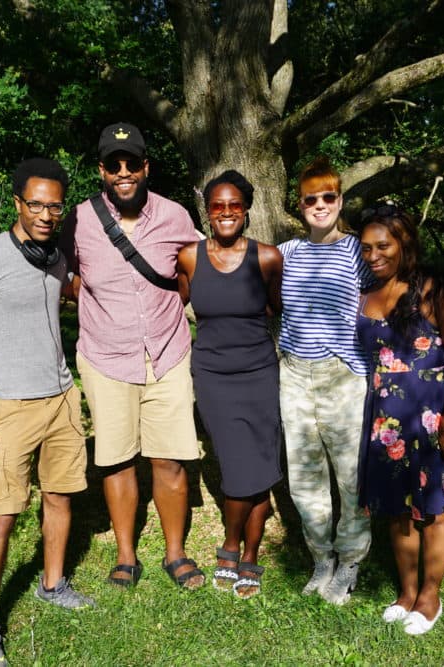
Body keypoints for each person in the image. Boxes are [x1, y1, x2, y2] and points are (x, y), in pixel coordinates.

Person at [277, 157, 444, 605]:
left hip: (344, 375)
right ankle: (320, 558)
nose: (320, 205)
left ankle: (350, 563)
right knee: (304, 478)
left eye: (329, 196)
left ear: (339, 200)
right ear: (300, 204)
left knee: (350, 479)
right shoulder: (286, 254)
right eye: (311, 198)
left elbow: (406, 272)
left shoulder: (359, 252)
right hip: (293, 374)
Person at [0, 158, 93, 667]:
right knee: (3, 516)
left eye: (55, 205)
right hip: (8, 406)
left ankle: (52, 584)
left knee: (60, 497)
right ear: (17, 203)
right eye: (36, 204)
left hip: (61, 399)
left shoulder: (56, 257)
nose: (46, 214)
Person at [59, 123, 205, 590]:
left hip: (167, 352)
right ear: (102, 170)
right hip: (105, 357)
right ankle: (125, 555)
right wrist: (89, 299)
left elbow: (194, 269)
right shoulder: (78, 220)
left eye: (132, 164)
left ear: (145, 167)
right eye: (113, 165)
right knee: (117, 460)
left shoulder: (175, 215)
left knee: (171, 460)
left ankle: (176, 553)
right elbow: (62, 276)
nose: (124, 173)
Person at [355, 203, 444, 635]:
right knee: (397, 511)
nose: (374, 255)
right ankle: (407, 591)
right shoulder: (366, 292)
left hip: (432, 414)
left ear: (405, 242)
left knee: (434, 511)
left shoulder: (440, 288)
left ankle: (430, 595)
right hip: (386, 419)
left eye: (383, 246)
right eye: (366, 247)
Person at [176, 170, 283, 598]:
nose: (225, 213)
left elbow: (278, 306)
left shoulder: (269, 257)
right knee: (238, 465)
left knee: (252, 465)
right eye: (217, 206)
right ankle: (236, 543)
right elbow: (177, 300)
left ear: (246, 211)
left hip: (259, 373)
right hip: (213, 376)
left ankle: (241, 549)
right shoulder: (189, 257)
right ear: (206, 212)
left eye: (233, 206)